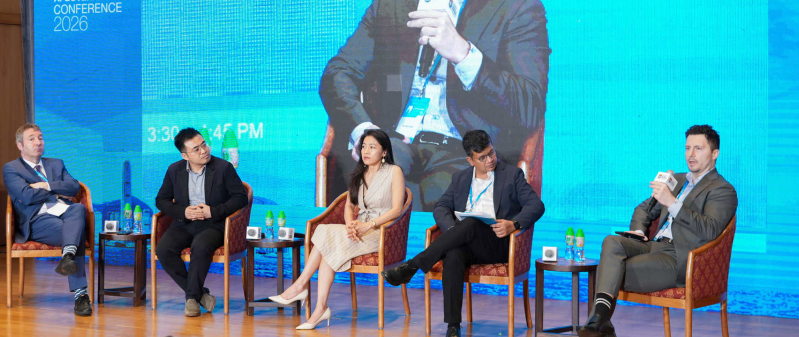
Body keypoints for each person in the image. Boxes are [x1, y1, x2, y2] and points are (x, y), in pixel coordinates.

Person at [319, 0, 550, 212]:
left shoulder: (518, 9)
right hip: (395, 144)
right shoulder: (392, 2)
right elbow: (337, 73)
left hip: (464, 154)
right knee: (381, 184)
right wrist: (364, 132)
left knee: (441, 201)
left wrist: (463, 53)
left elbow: (529, 105)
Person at [578, 125, 738, 337]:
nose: (690, 154)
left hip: (680, 257)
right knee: (612, 242)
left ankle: (599, 322)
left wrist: (672, 202)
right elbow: (644, 209)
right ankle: (601, 323)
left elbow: (709, 230)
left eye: (698, 149)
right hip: (653, 245)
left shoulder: (722, 189)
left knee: (608, 269)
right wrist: (638, 231)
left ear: (715, 153)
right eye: (687, 148)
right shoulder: (677, 180)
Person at [382, 129, 545, 337]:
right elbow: (441, 207)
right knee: (453, 253)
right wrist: (453, 232)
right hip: (466, 240)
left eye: (491, 153)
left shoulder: (512, 175)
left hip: (498, 243)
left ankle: (413, 265)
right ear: (470, 160)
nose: (490, 160)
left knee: (471, 223)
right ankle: (453, 327)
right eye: (482, 157)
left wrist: (514, 224)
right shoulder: (460, 178)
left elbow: (536, 205)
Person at [270, 129, 406, 330]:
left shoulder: (394, 172)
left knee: (325, 235)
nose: (366, 151)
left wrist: (368, 225)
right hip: (358, 228)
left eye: (372, 147)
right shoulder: (360, 173)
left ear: (384, 151)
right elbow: (349, 205)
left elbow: (396, 210)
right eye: (364, 146)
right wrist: (350, 224)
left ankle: (301, 287)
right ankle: (319, 308)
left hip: (382, 232)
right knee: (327, 246)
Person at [155, 127, 249, 317]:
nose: (204, 150)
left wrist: (212, 212)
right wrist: (184, 212)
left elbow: (241, 198)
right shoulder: (174, 170)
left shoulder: (223, 167)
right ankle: (200, 295)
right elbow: (161, 200)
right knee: (163, 250)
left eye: (204, 145)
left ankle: (191, 298)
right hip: (184, 223)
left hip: (214, 224)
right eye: (196, 149)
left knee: (200, 245)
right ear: (185, 155)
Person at [2, 123, 92, 316]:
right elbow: (27, 196)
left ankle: (68, 255)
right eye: (32, 139)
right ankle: (81, 296)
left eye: (40, 138)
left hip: (65, 213)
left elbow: (74, 187)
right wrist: (57, 191)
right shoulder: (11, 168)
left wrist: (45, 185)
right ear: (20, 145)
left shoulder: (56, 163)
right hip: (37, 220)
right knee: (75, 234)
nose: (38, 142)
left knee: (77, 208)